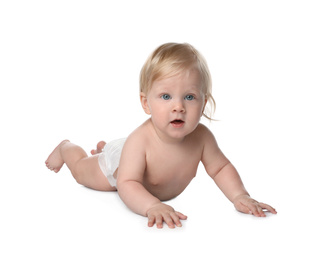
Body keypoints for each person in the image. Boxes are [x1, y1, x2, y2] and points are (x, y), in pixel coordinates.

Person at [45, 43, 277, 229]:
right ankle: (67, 148)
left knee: (121, 153)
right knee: (81, 172)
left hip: (131, 156)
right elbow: (127, 183)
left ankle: (105, 147)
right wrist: (152, 205)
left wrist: (239, 195)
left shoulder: (202, 138)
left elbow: (220, 168)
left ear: (203, 103)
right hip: (120, 166)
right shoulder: (141, 140)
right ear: (146, 103)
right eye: (166, 97)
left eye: (189, 97)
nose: (178, 107)